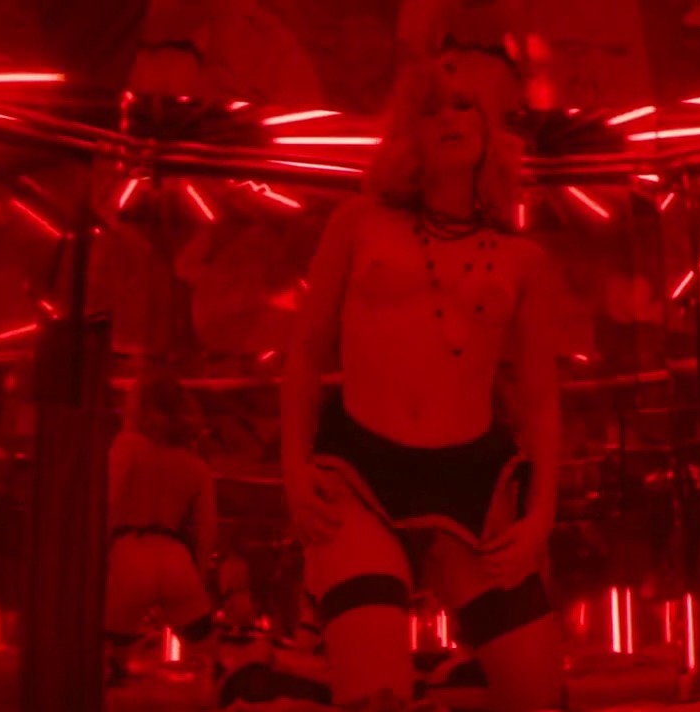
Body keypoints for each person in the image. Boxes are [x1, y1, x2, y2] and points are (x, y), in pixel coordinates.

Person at [280, 44, 564, 712]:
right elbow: (305, 352)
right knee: (375, 695)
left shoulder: (523, 260)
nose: (449, 120)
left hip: (475, 482)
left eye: (464, 106)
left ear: (491, 125)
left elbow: (540, 399)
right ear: (410, 132)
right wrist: (292, 468)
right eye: (431, 110)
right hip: (360, 472)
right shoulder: (358, 224)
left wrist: (541, 516)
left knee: (539, 697)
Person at [103, 377, 219, 686]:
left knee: (110, 659)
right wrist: (199, 578)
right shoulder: (196, 466)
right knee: (208, 657)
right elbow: (206, 534)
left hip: (129, 553)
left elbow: (108, 502)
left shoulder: (128, 446)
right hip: (175, 559)